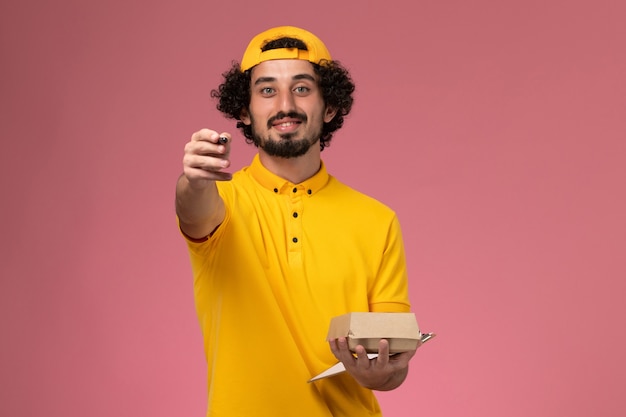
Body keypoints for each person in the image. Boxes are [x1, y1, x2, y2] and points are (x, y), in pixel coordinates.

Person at [175, 26, 417, 416]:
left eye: (302, 88)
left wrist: (380, 376)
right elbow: (193, 208)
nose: (285, 104)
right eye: (267, 90)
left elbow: (391, 363)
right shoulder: (221, 198)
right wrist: (194, 177)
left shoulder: (377, 220)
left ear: (330, 106)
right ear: (244, 110)